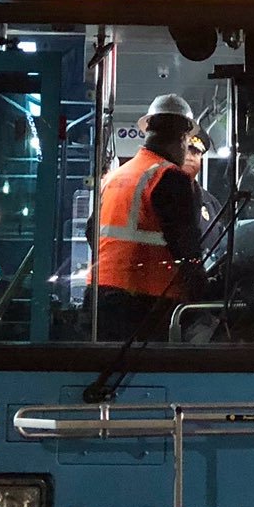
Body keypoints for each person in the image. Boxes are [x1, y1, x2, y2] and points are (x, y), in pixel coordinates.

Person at [93, 93, 210, 339]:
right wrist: (204, 291)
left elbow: (90, 231)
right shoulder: (170, 177)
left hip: (98, 296)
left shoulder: (115, 176)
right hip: (146, 302)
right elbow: (186, 245)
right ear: (182, 137)